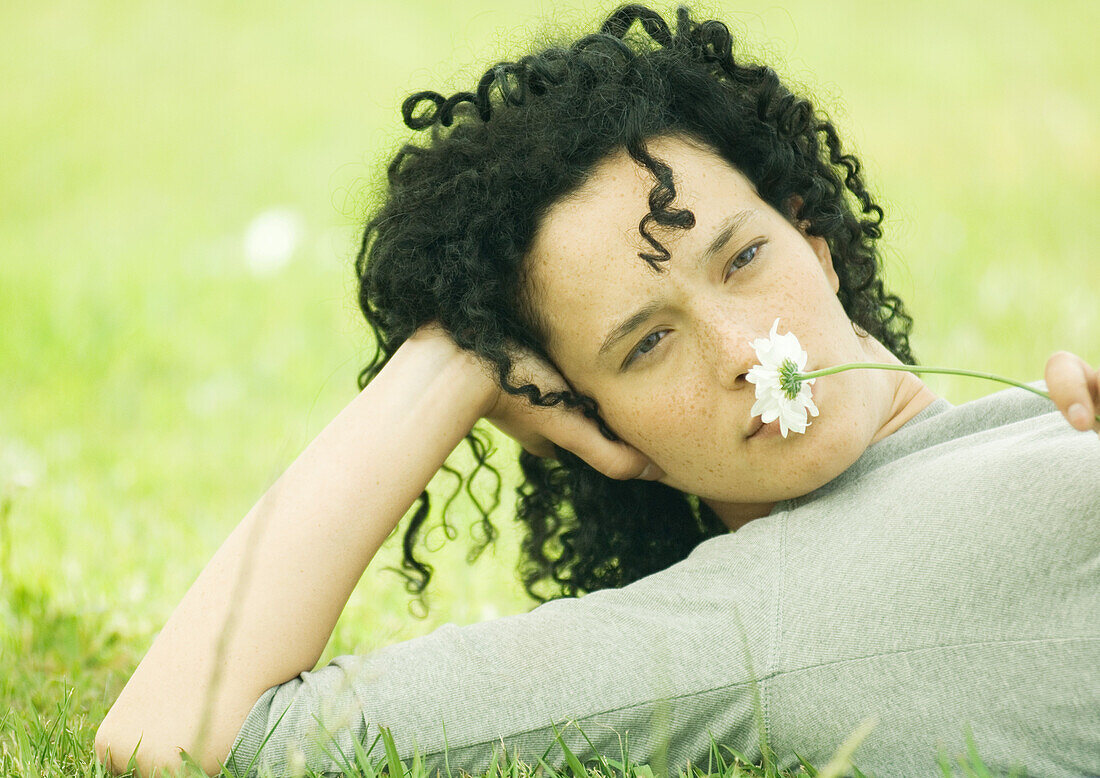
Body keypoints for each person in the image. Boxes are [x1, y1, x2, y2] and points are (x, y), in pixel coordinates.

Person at [94, 4, 1100, 777]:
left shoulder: (1020, 419)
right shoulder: (767, 617)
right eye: (646, 343)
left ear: (816, 243)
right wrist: (447, 363)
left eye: (744, 256)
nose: (748, 351)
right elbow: (176, 729)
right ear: (581, 419)